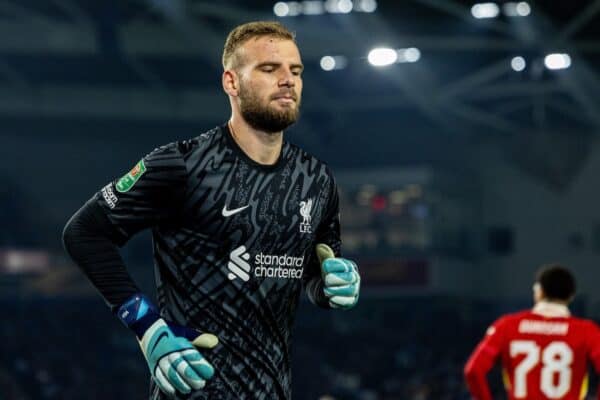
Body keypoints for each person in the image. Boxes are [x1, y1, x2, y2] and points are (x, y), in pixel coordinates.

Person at [62, 21, 361, 400]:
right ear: (231, 83)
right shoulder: (181, 165)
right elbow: (84, 233)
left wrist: (334, 285)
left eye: (296, 71)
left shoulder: (317, 179)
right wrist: (148, 327)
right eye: (270, 69)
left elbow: (317, 272)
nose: (288, 79)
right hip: (192, 390)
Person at [464, 264, 600, 400]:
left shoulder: (507, 325)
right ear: (571, 296)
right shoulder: (586, 331)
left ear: (539, 291)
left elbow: (473, 370)